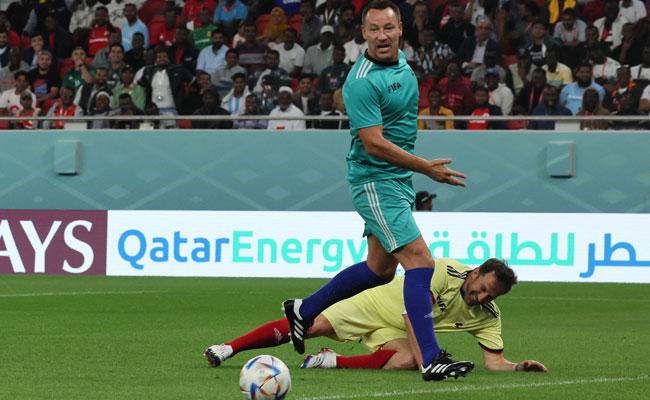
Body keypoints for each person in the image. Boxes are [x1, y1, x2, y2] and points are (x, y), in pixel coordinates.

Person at [276, 0, 471, 382]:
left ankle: (304, 309)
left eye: (388, 28)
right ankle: (431, 358)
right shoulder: (361, 81)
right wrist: (426, 168)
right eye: (374, 29)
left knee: (380, 270)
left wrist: (413, 172)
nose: (382, 36)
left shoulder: (402, 66)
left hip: (396, 180)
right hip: (375, 181)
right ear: (362, 34)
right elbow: (373, 143)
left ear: (401, 30)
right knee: (421, 263)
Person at [205, 258, 548, 374]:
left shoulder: (488, 314)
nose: (483, 297)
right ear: (474, 273)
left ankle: (329, 362)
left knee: (408, 361)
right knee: (313, 326)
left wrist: (517, 366)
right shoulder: (444, 270)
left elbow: (493, 362)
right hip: (374, 303)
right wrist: (431, 358)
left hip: (396, 326)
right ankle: (228, 348)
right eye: (483, 287)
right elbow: (414, 312)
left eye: (492, 295)